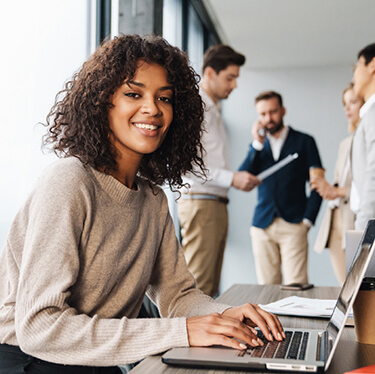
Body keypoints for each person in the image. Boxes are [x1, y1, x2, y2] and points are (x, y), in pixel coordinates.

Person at [0, 35, 284, 373]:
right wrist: (182, 331)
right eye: (133, 94)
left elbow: (178, 295)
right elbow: (39, 327)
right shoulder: (69, 181)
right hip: (31, 358)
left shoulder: (152, 200)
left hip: (95, 358)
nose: (153, 108)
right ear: (103, 102)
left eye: (164, 98)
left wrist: (222, 315)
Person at [177, 45, 260, 298]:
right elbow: (187, 165)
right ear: (210, 73)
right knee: (199, 288)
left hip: (213, 203)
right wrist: (232, 178)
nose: (234, 85)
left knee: (209, 288)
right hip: (202, 203)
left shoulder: (213, 109)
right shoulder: (198, 108)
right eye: (230, 78)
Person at [238, 91, 322, 285]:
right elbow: (242, 178)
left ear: (283, 111)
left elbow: (318, 183)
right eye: (263, 114)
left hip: (294, 224)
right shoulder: (258, 146)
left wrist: (308, 220)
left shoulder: (304, 141)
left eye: (273, 112)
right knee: (266, 288)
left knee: (296, 286)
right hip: (262, 225)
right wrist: (256, 145)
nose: (268, 118)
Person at [312, 84, 363, 285]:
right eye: (344, 104)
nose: (347, 109)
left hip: (355, 219)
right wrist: (325, 187)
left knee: (360, 287)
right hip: (334, 222)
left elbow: (368, 188)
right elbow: (339, 182)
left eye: (353, 102)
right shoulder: (346, 143)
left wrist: (336, 191)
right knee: (345, 287)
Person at [350, 43, 375, 230]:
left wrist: (364, 227)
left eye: (356, 67)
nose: (353, 78)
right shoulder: (368, 115)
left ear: (372, 65)